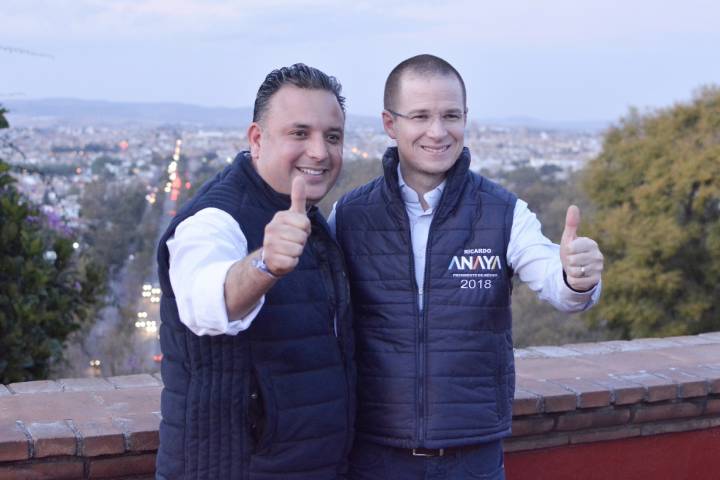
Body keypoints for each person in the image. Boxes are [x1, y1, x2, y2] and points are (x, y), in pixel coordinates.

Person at [330, 54, 603, 480]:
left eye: (451, 116)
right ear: (390, 124)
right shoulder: (350, 215)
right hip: (374, 456)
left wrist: (577, 276)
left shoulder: (503, 212)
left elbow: (559, 286)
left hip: (471, 459)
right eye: (420, 116)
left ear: (465, 118)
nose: (438, 131)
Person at [155, 64, 355, 480]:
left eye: (332, 137)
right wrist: (265, 264)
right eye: (299, 133)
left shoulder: (308, 219)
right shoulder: (214, 219)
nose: (320, 151)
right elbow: (208, 300)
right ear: (257, 139)